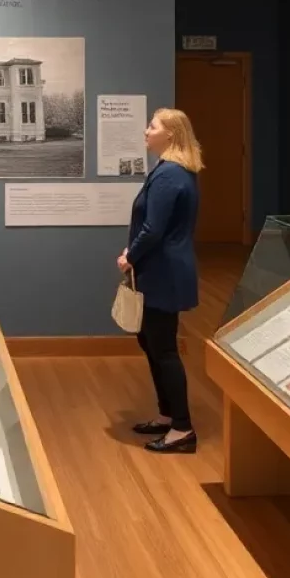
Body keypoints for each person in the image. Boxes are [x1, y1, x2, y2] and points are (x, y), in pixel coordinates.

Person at [118, 108, 203, 454]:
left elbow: (154, 229)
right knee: (151, 342)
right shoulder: (172, 170)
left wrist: (130, 256)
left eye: (152, 126)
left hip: (162, 272)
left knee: (163, 349)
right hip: (161, 270)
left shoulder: (169, 174)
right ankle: (168, 415)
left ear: (170, 134)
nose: (146, 131)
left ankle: (182, 428)